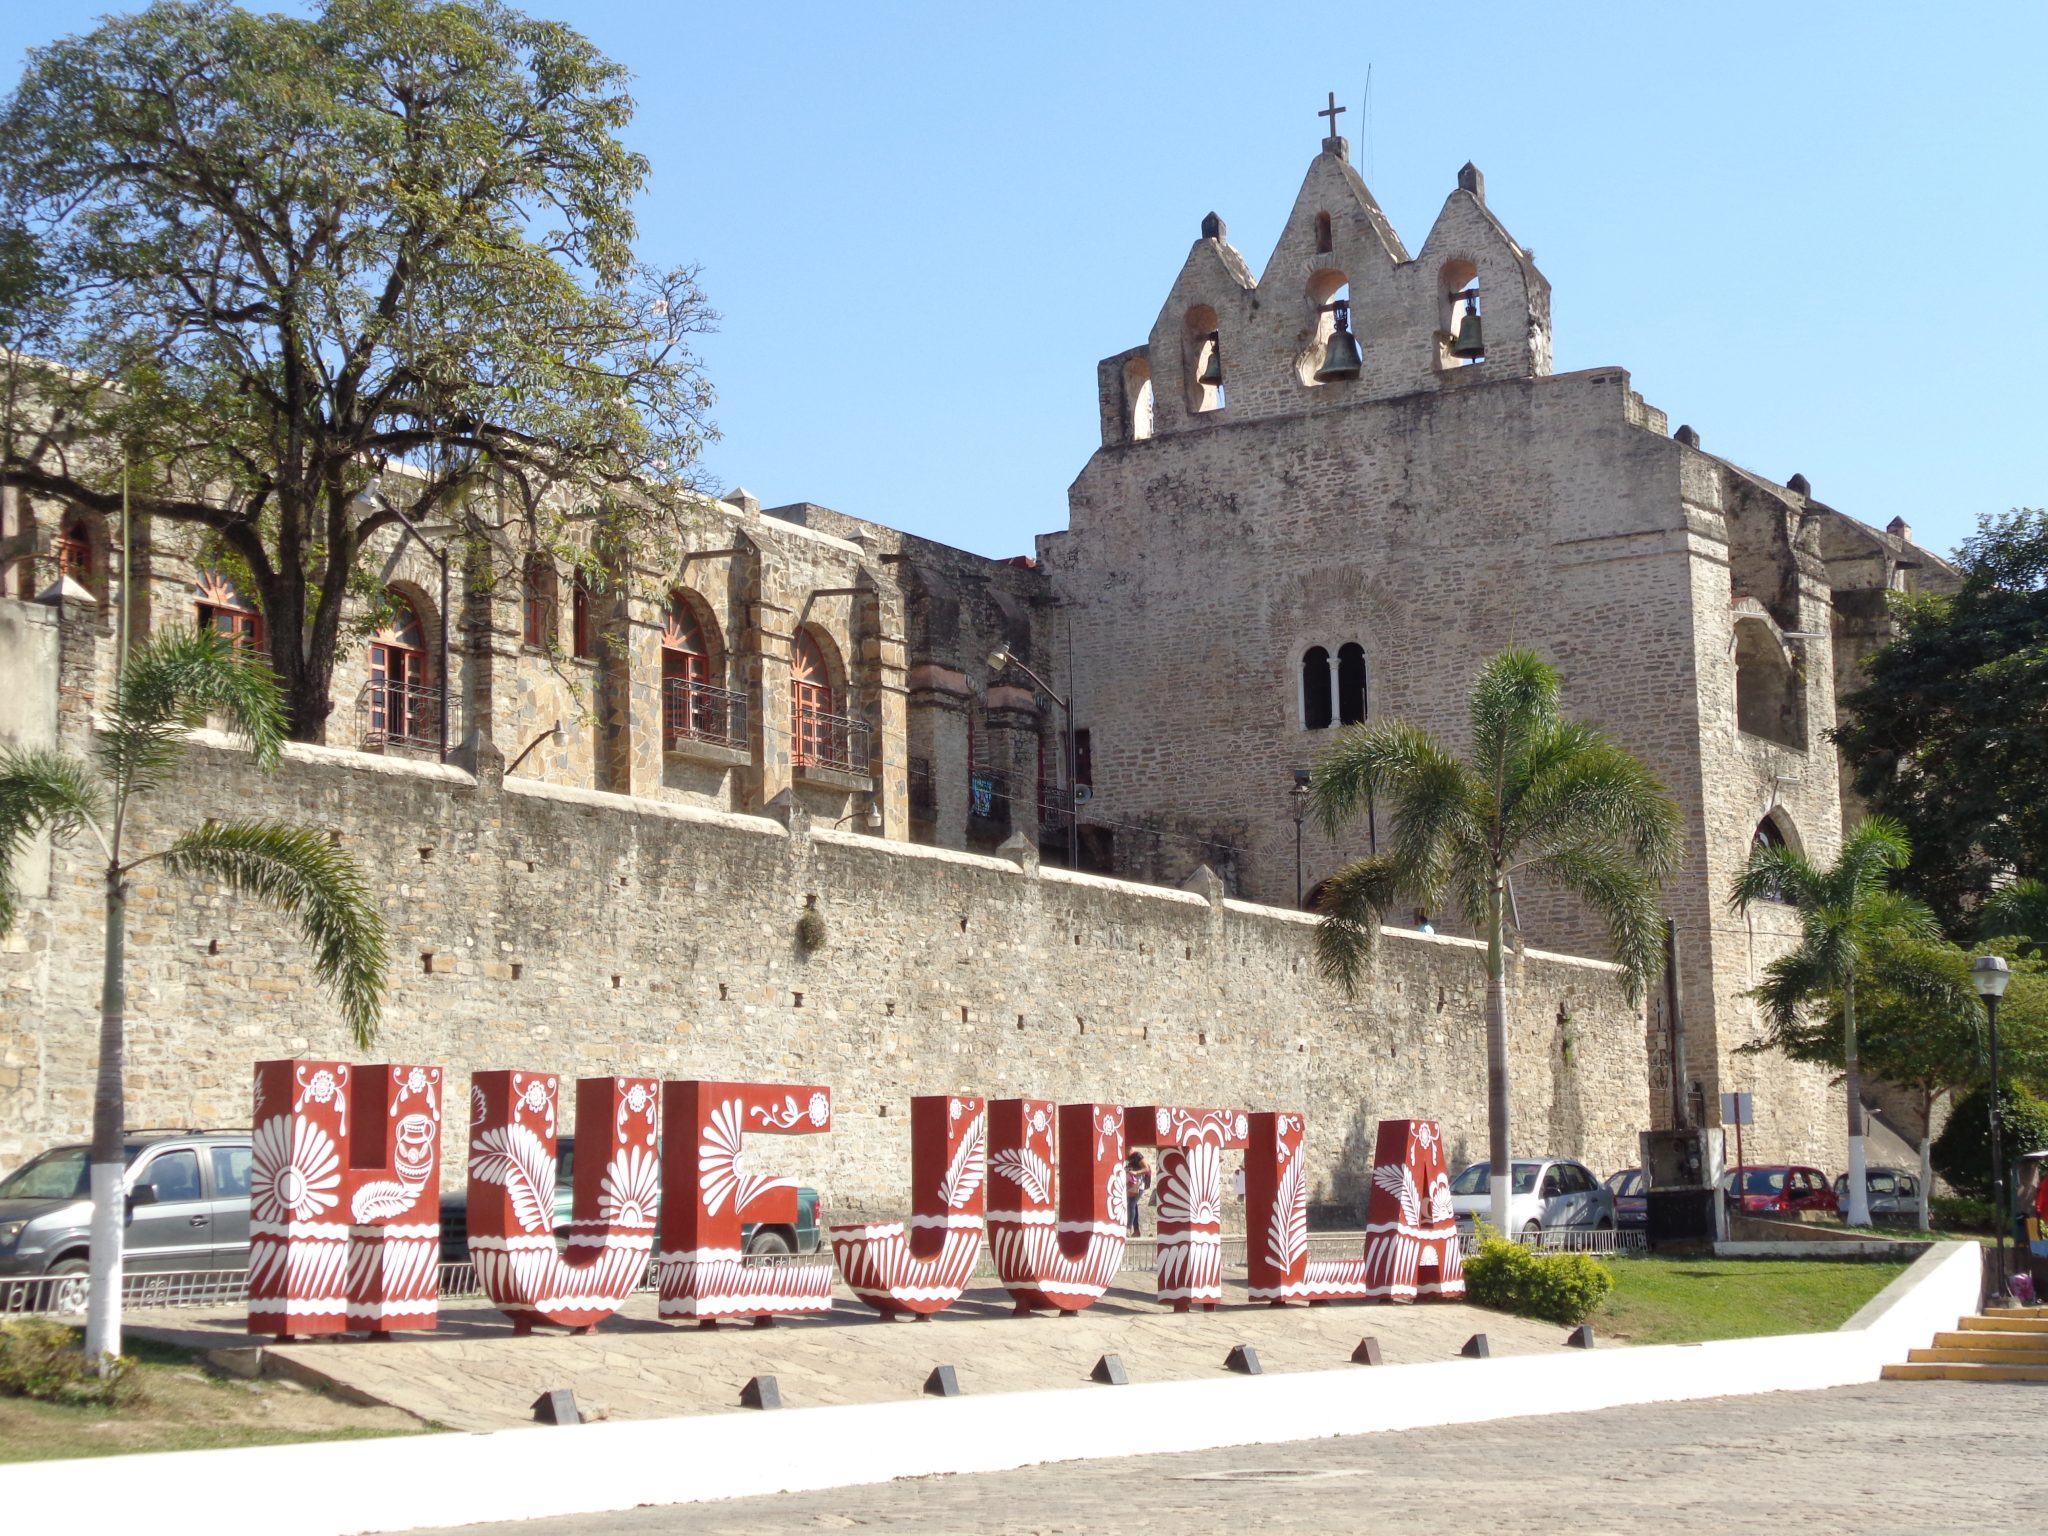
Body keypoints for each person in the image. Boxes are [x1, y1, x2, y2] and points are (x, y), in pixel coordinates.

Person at [1125, 1151, 1151, 1237]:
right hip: (1131, 1185)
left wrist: (1135, 1173)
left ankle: (1128, 1228)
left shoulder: (1137, 1155)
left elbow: (1146, 1168)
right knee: (1133, 1205)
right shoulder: (1127, 1157)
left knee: (1131, 1205)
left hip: (1139, 1185)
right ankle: (1136, 1231)